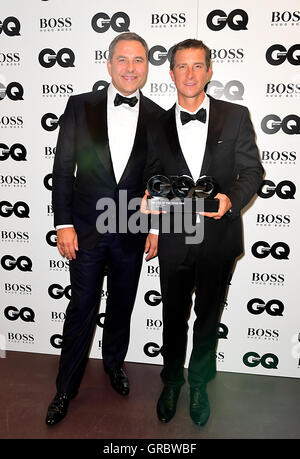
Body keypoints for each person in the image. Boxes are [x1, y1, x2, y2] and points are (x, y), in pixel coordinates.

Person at [45, 32, 164, 426]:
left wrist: (155, 228)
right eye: (123, 60)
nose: (131, 68)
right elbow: (62, 170)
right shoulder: (80, 106)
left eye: (139, 60)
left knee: (122, 305)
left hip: (132, 228)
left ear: (147, 66)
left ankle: (114, 365)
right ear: (109, 63)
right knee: (81, 307)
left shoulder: (158, 116)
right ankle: (66, 387)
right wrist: (63, 223)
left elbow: (157, 181)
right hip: (85, 228)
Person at [143, 38, 264, 426]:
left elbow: (253, 171)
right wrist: (153, 217)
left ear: (209, 71)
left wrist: (232, 197)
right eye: (182, 66)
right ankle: (171, 381)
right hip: (175, 233)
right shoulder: (156, 124)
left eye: (198, 66)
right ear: (171, 73)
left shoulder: (236, 114)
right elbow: (152, 178)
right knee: (173, 315)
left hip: (218, 235)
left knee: (208, 316)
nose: (190, 74)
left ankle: (198, 384)